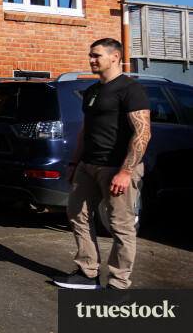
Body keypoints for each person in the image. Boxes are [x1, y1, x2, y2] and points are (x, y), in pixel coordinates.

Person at [55, 38, 151, 290]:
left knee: (120, 226)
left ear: (115, 56)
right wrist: (75, 163)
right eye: (90, 55)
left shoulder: (131, 90)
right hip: (88, 165)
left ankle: (118, 284)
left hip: (117, 167)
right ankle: (87, 273)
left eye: (96, 55)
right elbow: (85, 131)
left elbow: (142, 133)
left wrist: (126, 170)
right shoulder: (92, 91)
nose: (91, 59)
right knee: (77, 213)